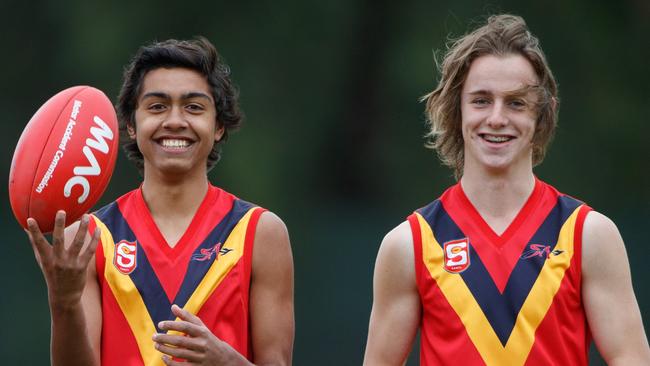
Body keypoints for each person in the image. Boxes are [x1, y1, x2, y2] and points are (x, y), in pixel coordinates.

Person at [363, 14, 650, 366]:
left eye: (516, 102)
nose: (497, 118)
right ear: (456, 110)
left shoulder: (587, 235)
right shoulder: (410, 244)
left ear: (542, 115)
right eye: (481, 100)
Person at [25, 37, 294, 366]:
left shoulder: (260, 233)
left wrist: (227, 362)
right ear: (131, 125)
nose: (175, 121)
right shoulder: (89, 238)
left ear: (219, 125)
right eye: (157, 106)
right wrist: (63, 302)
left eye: (194, 107)